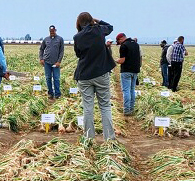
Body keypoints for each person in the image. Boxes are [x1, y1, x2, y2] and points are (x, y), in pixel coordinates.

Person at [73, 12, 115, 140]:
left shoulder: (77, 37)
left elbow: (78, 54)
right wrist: (97, 20)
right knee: (105, 106)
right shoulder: (98, 30)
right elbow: (110, 27)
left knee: (88, 108)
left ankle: (88, 138)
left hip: (84, 75)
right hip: (101, 73)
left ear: (78, 23)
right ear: (91, 20)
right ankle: (109, 139)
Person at [115, 33, 141, 115]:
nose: (119, 43)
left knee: (126, 90)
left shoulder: (124, 46)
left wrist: (116, 60)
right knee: (132, 90)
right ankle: (132, 108)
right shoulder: (136, 44)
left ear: (122, 38)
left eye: (119, 41)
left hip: (126, 71)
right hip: (135, 70)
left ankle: (126, 110)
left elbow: (122, 60)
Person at [39, 25, 64, 100]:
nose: (52, 32)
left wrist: (59, 61)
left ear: (55, 30)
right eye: (50, 31)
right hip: (47, 62)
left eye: (53, 31)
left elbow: (61, 51)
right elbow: (41, 49)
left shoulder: (60, 39)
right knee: (48, 78)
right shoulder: (46, 39)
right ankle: (50, 93)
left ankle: (57, 94)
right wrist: (41, 58)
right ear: (49, 31)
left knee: (56, 78)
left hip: (56, 63)